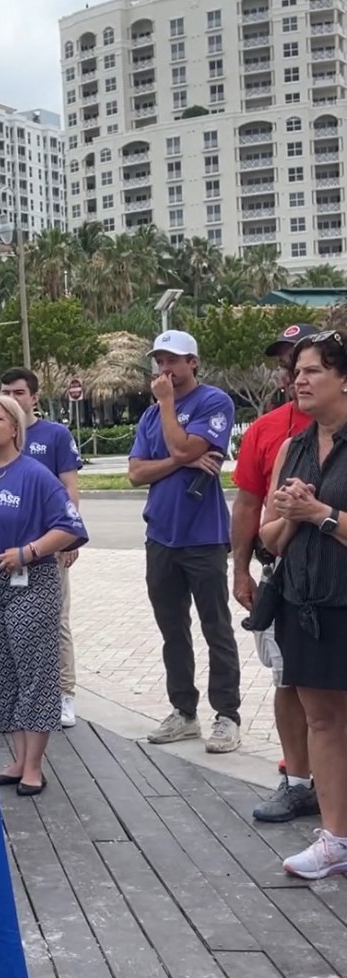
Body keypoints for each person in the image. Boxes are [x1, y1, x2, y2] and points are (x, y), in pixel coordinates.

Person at [0, 395, 89, 795]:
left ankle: (34, 766)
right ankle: (16, 757)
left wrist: (28, 552)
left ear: (15, 428)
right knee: (1, 672)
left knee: (35, 672)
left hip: (32, 583)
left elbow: (70, 526)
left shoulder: (35, 475)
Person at [128, 330, 242, 754]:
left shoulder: (214, 402)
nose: (165, 370)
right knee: (171, 628)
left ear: (193, 362)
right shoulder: (150, 415)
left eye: (173, 361)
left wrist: (168, 410)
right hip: (161, 534)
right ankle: (184, 712)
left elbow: (181, 442)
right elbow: (136, 473)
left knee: (216, 627)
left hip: (204, 536)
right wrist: (183, 459)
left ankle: (227, 714)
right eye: (160, 361)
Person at [259, 330, 347, 879]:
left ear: (343, 378)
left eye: (312, 370)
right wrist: (293, 515)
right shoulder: (293, 447)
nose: (299, 380)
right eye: (297, 372)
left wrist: (321, 515)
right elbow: (269, 537)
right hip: (305, 604)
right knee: (322, 718)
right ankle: (335, 839)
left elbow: (323, 517)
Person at [232, 324, 317, 824]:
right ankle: (299, 781)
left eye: (306, 363)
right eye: (289, 364)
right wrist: (240, 569)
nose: (295, 374)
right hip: (285, 572)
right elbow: (247, 505)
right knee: (289, 681)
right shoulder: (268, 431)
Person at [0, 368, 83, 728]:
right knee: (9, 624)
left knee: (55, 622)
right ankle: (18, 694)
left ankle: (64, 693)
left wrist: (70, 538)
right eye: (5, 392)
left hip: (47, 547)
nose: (11, 398)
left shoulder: (54, 435)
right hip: (4, 551)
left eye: (18, 392)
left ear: (33, 398)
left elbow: (69, 488)